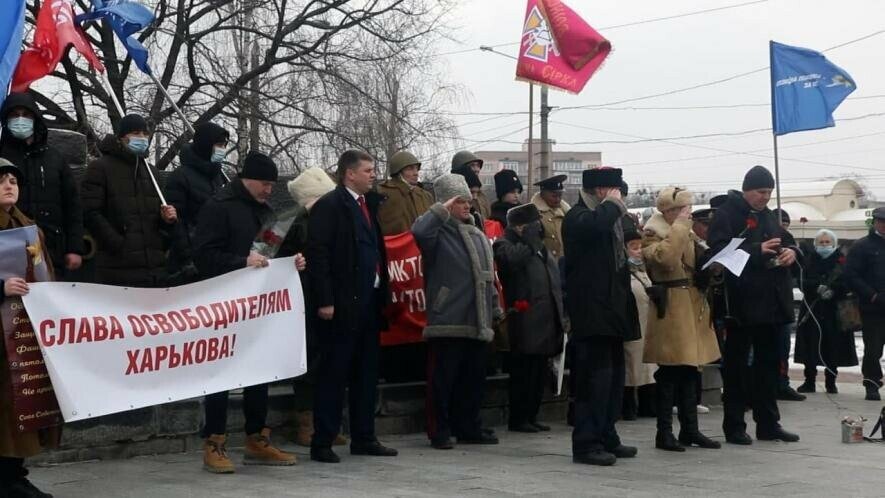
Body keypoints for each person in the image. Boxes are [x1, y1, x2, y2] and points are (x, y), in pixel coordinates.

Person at [193, 151, 305, 473]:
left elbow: (273, 251)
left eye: (272, 184)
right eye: (265, 184)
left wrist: (292, 263)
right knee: (220, 374)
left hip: (258, 306)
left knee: (260, 368)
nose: (270, 190)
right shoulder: (218, 207)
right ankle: (214, 440)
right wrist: (240, 262)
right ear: (247, 178)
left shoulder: (267, 211)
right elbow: (203, 256)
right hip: (223, 305)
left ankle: (257, 437)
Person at [307, 150, 398, 463]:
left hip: (369, 303)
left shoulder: (368, 205)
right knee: (334, 374)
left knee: (366, 373)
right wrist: (326, 300)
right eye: (368, 170)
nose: (373, 175)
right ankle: (323, 441)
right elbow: (318, 255)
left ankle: (364, 435)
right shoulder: (331, 206)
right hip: (342, 305)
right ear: (349, 173)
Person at [707, 165, 801, 444]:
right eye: (761, 192)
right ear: (747, 189)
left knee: (769, 367)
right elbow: (717, 253)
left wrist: (791, 254)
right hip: (742, 305)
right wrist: (755, 251)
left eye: (769, 192)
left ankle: (768, 422)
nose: (765, 197)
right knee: (737, 368)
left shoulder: (770, 216)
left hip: (773, 303)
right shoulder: (727, 214)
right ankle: (734, 425)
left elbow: (788, 243)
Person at [413, 173, 503, 449]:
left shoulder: (476, 233)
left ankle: (468, 426)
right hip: (449, 318)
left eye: (469, 200)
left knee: (472, 379)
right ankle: (439, 429)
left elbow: (487, 274)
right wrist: (440, 208)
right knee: (444, 379)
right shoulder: (436, 233)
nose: (467, 205)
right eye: (460, 200)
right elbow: (419, 231)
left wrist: (494, 306)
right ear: (447, 202)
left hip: (477, 318)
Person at [563, 167, 639, 466]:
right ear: (600, 191)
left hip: (612, 313)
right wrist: (613, 206)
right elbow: (596, 225)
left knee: (612, 381)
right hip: (591, 314)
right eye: (614, 191)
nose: (619, 197)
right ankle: (586, 443)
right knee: (592, 383)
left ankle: (607, 434)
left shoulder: (612, 219)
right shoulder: (578, 217)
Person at [641, 187, 721, 452]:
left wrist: (712, 264)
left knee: (690, 370)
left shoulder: (683, 231)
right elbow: (666, 259)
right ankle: (663, 433)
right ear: (669, 211)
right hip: (672, 305)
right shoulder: (654, 232)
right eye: (682, 209)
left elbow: (695, 261)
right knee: (670, 371)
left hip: (692, 302)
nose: (687, 214)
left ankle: (690, 429)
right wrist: (680, 227)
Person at [0, 159, 60, 498]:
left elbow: (44, 272)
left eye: (13, 180)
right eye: (2, 181)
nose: (9, 185)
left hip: (22, 332)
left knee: (20, 406)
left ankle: (13, 475)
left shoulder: (29, 229)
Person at [279, 167, 346, 447]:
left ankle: (326, 421)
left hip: (327, 295)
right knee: (309, 360)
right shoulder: (291, 223)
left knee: (328, 360)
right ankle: (306, 421)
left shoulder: (333, 219)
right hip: (303, 297)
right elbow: (273, 255)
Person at [80, 114, 178, 287]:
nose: (141, 138)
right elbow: (89, 211)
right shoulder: (100, 168)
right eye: (135, 133)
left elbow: (156, 217)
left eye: (145, 134)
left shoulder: (151, 173)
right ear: (121, 137)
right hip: (116, 268)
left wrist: (166, 221)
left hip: (153, 269)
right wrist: (117, 244)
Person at [494, 203, 566, 433]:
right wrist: (528, 241)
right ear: (519, 226)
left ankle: (532, 415)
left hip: (546, 319)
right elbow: (510, 262)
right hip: (523, 319)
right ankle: (519, 417)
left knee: (538, 373)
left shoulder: (540, 248)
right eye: (532, 225)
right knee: (523, 372)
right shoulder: (504, 244)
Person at [0, 92, 84, 279]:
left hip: (52, 250)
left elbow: (73, 205)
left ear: (36, 119)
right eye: (14, 115)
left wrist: (75, 247)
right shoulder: (1, 157)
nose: (20, 119)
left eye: (26, 114)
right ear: (6, 120)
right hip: (7, 250)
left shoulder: (55, 158)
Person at [794, 229, 858, 394]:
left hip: (834, 311)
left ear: (833, 244)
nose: (824, 245)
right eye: (820, 242)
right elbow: (801, 280)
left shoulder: (842, 262)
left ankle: (831, 381)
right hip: (812, 309)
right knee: (810, 345)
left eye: (827, 242)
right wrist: (816, 287)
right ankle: (809, 380)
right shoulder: (808, 261)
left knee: (833, 346)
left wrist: (835, 290)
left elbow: (849, 282)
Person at [165, 122, 230, 282]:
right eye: (219, 144)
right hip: (188, 262)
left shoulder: (218, 177)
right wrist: (188, 259)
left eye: (224, 145)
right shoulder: (180, 177)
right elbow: (176, 222)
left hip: (215, 256)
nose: (222, 149)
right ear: (206, 145)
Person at [844, 207, 885, 401]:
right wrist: (872, 295)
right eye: (882, 221)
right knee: (873, 349)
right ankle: (872, 383)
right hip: (873, 307)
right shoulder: (862, 246)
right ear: (875, 222)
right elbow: (851, 275)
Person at [773, 208, 806, 402]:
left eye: (786, 224)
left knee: (783, 348)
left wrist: (793, 252)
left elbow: (799, 262)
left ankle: (782, 383)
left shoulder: (788, 240)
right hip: (766, 304)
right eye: (781, 224)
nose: (783, 227)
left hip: (783, 302)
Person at [623, 230, 656, 421]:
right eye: (634, 247)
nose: (638, 251)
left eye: (640, 246)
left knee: (648, 365)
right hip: (632, 323)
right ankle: (628, 406)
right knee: (631, 365)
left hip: (646, 322)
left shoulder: (643, 269)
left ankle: (647, 404)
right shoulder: (623, 271)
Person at [376, 150, 433, 236]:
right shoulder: (382, 193)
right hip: (398, 246)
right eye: (410, 169)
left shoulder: (425, 195)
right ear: (398, 172)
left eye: (416, 168)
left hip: (426, 245)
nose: (416, 173)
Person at [531, 174, 570, 260]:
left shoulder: (565, 212)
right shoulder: (534, 214)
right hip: (546, 264)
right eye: (554, 196)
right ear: (543, 194)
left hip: (563, 263)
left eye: (560, 196)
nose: (558, 199)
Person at [451, 150, 491, 220]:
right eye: (472, 165)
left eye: (478, 166)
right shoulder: (451, 195)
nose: (477, 169)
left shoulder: (482, 196)